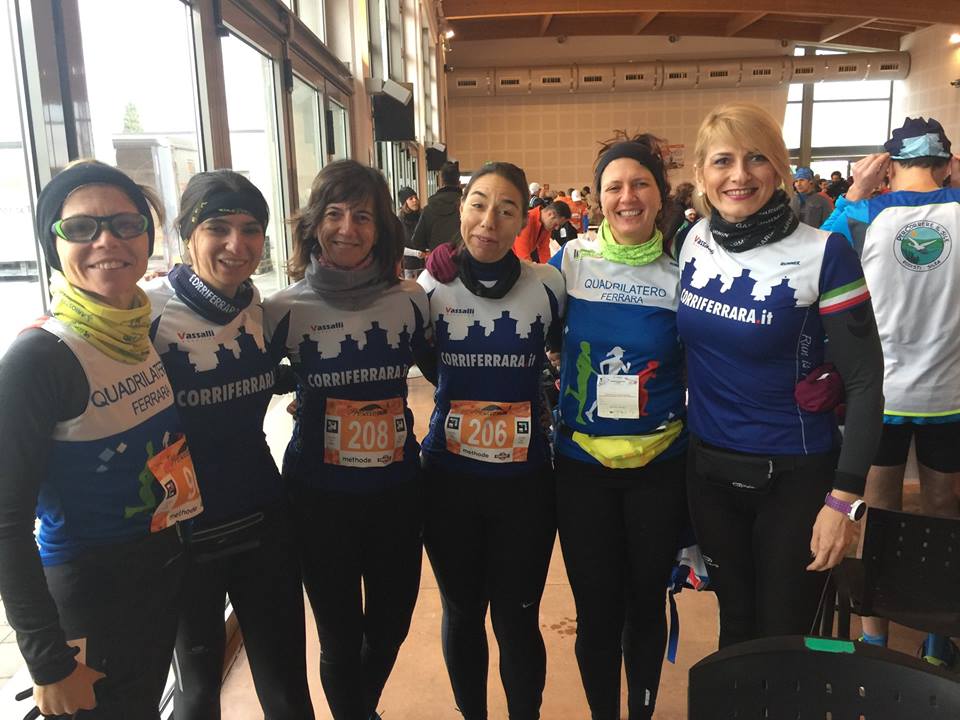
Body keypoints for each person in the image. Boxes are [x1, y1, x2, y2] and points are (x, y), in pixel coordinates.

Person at [678, 103, 884, 649]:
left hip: (794, 477)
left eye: (756, 158)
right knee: (735, 626)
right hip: (708, 470)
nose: (739, 175)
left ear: (780, 168)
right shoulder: (693, 240)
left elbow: (866, 382)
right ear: (701, 173)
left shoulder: (825, 253)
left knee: (783, 639)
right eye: (723, 160)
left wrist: (844, 502)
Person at [0, 161, 198, 717]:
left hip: (159, 577)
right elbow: (6, 523)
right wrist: (47, 661)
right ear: (54, 244)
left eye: (126, 224)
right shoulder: (37, 358)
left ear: (147, 236)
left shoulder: (138, 329)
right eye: (81, 228)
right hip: (88, 599)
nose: (107, 240)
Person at [263, 160, 431, 720]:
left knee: (390, 626)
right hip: (319, 497)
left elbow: (446, 365)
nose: (347, 228)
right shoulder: (283, 309)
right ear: (314, 223)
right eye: (333, 214)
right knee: (338, 637)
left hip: (397, 493)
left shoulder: (412, 299)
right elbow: (251, 382)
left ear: (381, 228)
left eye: (363, 216)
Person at [143, 170, 314, 719]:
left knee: (288, 691)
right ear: (187, 234)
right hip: (182, 532)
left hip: (263, 516)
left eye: (251, 229)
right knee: (197, 695)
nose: (236, 245)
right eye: (218, 227)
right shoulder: (145, 312)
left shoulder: (259, 309)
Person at [417, 162, 565, 720]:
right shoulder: (430, 287)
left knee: (517, 617)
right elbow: (425, 362)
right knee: (462, 612)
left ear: (523, 220)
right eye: (478, 205)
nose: (489, 221)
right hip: (449, 482)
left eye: (506, 210)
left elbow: (565, 351)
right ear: (461, 210)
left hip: (525, 485)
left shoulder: (548, 284)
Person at [548, 134, 688, 720]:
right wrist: (449, 267)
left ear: (660, 195)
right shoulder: (570, 263)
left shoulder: (684, 272)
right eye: (614, 187)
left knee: (645, 606)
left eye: (640, 184)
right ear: (597, 198)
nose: (627, 197)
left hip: (659, 468)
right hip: (582, 469)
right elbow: (511, 297)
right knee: (598, 612)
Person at [820, 116, 960, 666]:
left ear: (889, 164)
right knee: (943, 513)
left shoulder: (862, 215)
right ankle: (937, 639)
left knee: (872, 513)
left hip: (879, 396)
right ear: (946, 162)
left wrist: (855, 189)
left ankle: (874, 637)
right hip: (949, 396)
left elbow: (820, 249)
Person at [411, 161, 461, 254]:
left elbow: (417, 241)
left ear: (442, 182)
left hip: (437, 259)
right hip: (463, 258)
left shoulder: (428, 209)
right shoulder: (467, 206)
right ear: (459, 182)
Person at [397, 186, 425, 279]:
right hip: (408, 267)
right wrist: (416, 253)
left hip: (424, 264)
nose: (415, 200)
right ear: (405, 202)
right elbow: (398, 246)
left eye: (416, 197)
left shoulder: (423, 216)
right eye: (411, 198)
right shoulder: (399, 221)